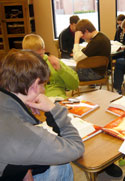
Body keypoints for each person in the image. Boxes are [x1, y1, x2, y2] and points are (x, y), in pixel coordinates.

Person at [0, 50, 84, 180]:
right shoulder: (25, 134)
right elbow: (76, 148)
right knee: (63, 165)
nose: (44, 90)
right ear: (34, 85)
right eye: (43, 85)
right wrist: (53, 109)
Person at [22, 34, 79, 99]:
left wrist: (61, 70)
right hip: (35, 103)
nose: (36, 59)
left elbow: (74, 85)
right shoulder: (22, 68)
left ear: (44, 50)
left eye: (39, 55)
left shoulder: (53, 62)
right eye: (32, 56)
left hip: (58, 100)